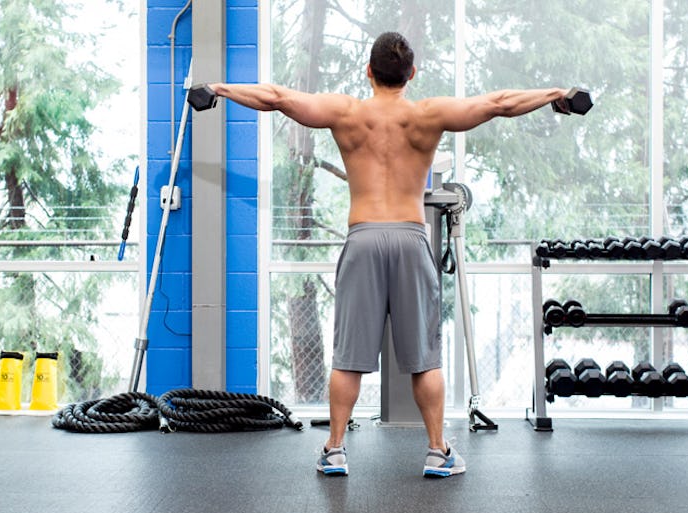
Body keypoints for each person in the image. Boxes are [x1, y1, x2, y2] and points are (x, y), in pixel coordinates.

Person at [208, 32, 570, 478]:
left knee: (349, 355)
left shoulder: (346, 113)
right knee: (424, 356)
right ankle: (437, 451)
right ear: (411, 74)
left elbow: (277, 97)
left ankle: (335, 449)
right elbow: (498, 102)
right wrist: (556, 95)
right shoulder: (427, 115)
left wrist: (220, 90)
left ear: (369, 70)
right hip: (410, 235)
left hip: (363, 237)